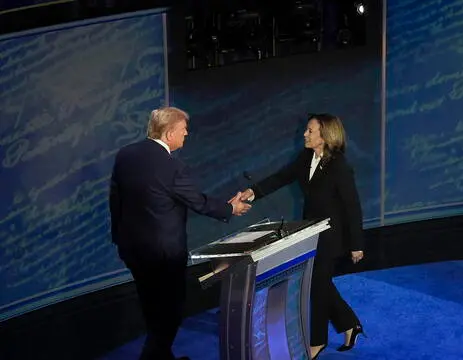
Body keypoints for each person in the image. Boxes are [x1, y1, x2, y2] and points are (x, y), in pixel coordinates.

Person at [109, 106, 251, 360]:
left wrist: (119, 238)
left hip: (131, 248)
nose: (186, 135)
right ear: (169, 133)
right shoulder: (171, 166)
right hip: (164, 253)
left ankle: (161, 355)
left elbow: (115, 200)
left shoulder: (126, 155)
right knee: (171, 310)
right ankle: (152, 356)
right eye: (184, 131)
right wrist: (231, 208)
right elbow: (197, 201)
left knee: (151, 304)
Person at [235, 113, 365, 359]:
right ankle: (350, 324)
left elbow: (352, 206)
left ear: (325, 136)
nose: (305, 134)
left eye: (310, 130)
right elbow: (281, 177)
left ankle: (318, 341)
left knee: (317, 286)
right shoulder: (306, 157)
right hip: (310, 230)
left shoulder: (339, 165)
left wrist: (357, 244)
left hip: (331, 234)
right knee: (321, 283)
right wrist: (252, 191)